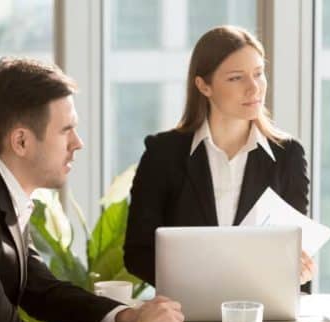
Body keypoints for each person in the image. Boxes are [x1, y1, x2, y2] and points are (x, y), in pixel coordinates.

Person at [0, 58, 185, 322]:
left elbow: (39, 289)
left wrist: (126, 317)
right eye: (66, 130)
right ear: (21, 142)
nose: (79, 142)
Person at [124, 26, 315, 291]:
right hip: (186, 313)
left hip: (262, 312)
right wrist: (200, 287)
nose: (254, 88)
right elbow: (138, 252)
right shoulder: (163, 154)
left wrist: (299, 273)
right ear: (204, 85)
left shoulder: (288, 155)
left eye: (259, 74)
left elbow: (295, 249)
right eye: (236, 78)